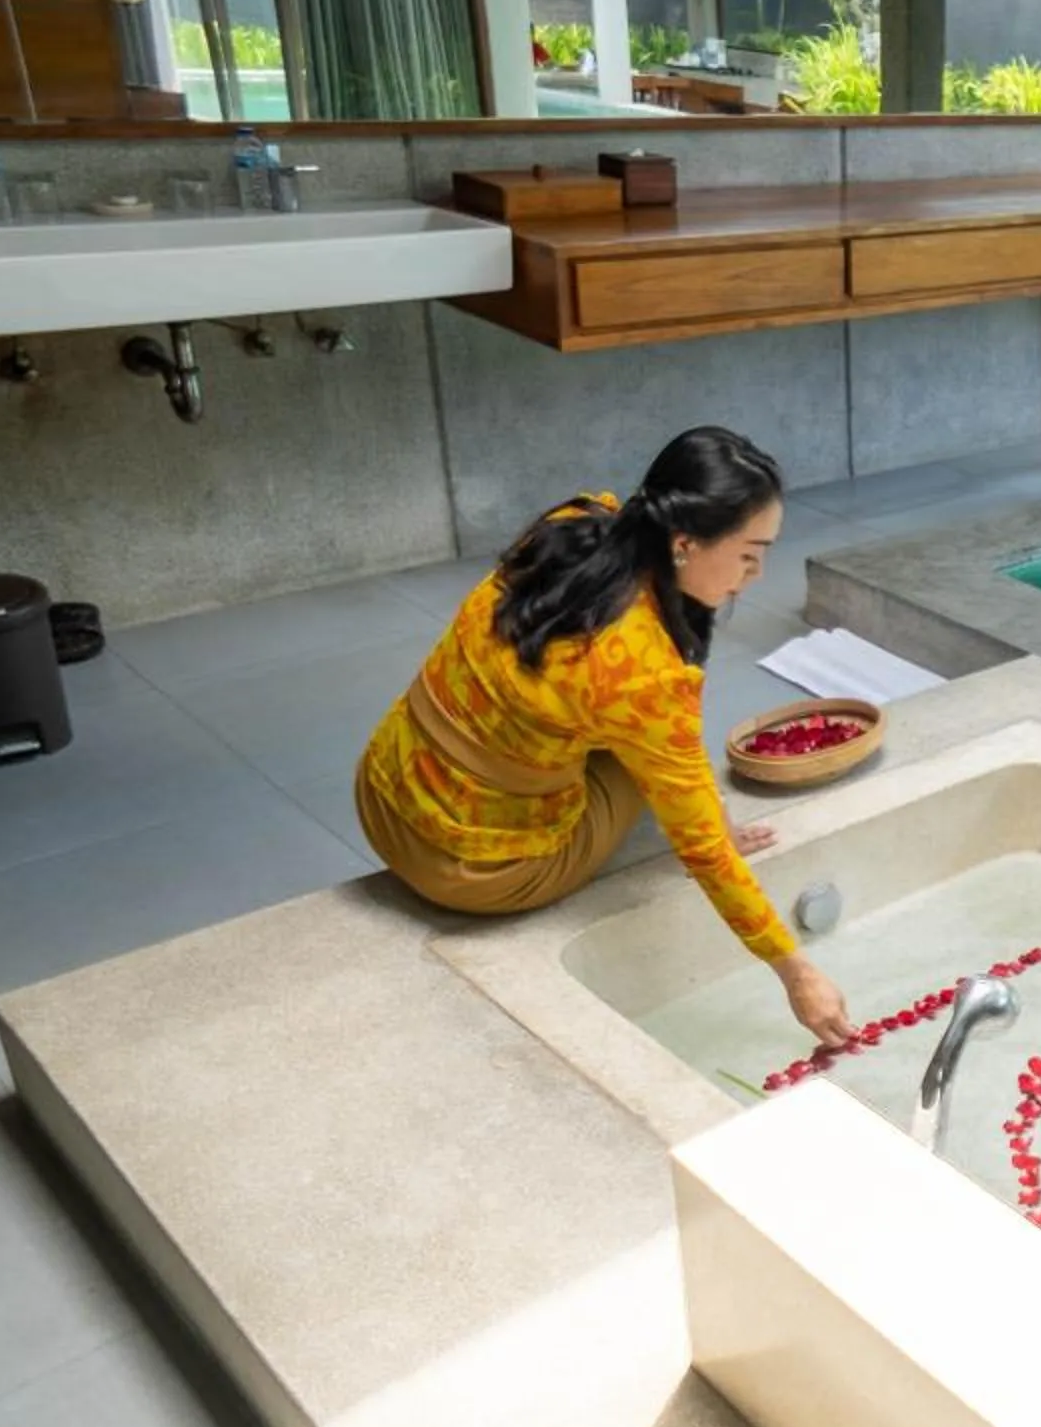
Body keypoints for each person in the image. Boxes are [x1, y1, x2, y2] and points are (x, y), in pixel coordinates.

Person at [354, 427, 855, 1044]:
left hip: (383, 791)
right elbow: (703, 849)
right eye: (749, 555)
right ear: (684, 544)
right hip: (472, 869)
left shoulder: (571, 524)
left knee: (632, 736)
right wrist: (796, 972)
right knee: (652, 763)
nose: (754, 575)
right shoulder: (645, 673)